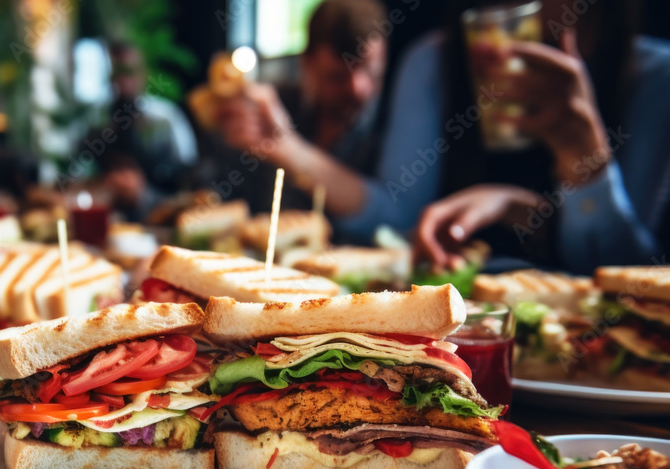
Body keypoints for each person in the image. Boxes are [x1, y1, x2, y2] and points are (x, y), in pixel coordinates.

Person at [234, 0, 669, 273]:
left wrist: (586, 162)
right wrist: (281, 145)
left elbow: (639, 277)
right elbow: (396, 215)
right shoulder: (433, 62)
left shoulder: (655, 79)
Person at [212, 0, 388, 215]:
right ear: (306, 64)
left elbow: (391, 214)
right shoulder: (277, 106)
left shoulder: (394, 121)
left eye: (373, 73)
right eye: (337, 77)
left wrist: (286, 146)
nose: (358, 90)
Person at [94, 41, 198, 220]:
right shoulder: (98, 121)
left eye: (128, 72)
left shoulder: (166, 119)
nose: (122, 82)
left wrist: (144, 193)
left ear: (142, 74)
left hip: (157, 223)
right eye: (115, 73)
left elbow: (189, 181)